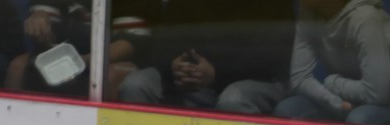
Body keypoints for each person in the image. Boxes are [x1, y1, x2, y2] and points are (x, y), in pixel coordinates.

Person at [116, 0, 294, 115]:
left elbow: (271, 56)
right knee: (137, 85)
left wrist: (215, 73)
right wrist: (175, 63)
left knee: (234, 100)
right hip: (195, 77)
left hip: (258, 79)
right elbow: (163, 39)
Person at [273, 0, 390, 125]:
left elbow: (376, 95)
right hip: (352, 92)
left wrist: (333, 83)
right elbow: (299, 78)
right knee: (288, 109)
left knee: (359, 120)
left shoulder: (365, 18)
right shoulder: (308, 12)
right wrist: (336, 104)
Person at [2, 0, 155, 99]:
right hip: (65, 56)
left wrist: (84, 61)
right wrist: (40, 24)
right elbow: (49, 40)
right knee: (18, 66)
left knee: (108, 76)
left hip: (110, 60)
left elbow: (130, 43)